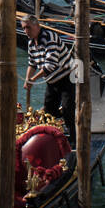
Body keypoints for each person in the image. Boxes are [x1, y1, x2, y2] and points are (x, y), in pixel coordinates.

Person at [22, 14, 77, 143]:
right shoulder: (31, 43)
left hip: (67, 77)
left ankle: (74, 140)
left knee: (68, 109)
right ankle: (55, 135)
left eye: (28, 28)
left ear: (37, 26)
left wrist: (33, 79)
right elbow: (32, 63)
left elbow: (50, 66)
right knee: (49, 111)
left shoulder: (50, 38)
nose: (26, 31)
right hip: (52, 81)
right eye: (24, 28)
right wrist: (27, 79)